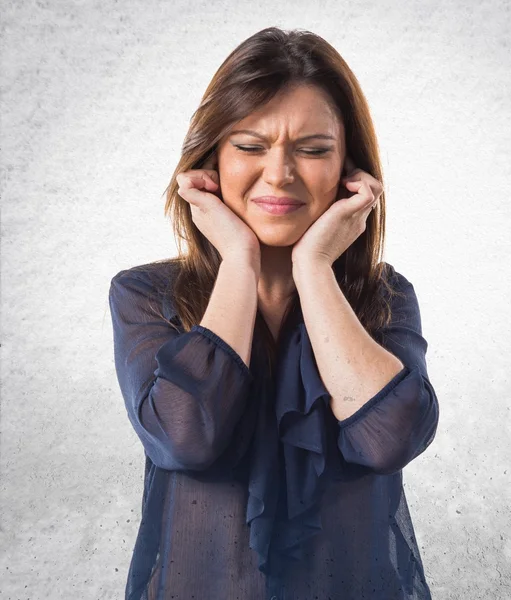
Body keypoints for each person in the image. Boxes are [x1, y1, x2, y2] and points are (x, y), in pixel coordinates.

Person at [108, 26, 440, 600]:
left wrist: (314, 268)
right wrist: (239, 257)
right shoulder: (144, 294)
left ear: (348, 170)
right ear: (211, 158)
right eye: (250, 146)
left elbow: (390, 440)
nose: (281, 173)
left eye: (313, 150)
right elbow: (187, 438)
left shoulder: (385, 296)